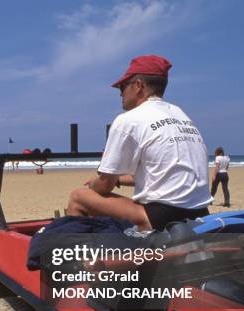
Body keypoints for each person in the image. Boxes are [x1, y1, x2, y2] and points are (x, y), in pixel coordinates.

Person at [66, 55, 212, 231]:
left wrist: (94, 185)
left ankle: (74, 255)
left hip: (161, 218)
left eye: (122, 86)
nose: (120, 93)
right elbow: (165, 174)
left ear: (138, 85)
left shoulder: (129, 120)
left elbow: (105, 186)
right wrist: (119, 179)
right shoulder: (179, 114)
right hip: (201, 214)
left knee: (79, 196)